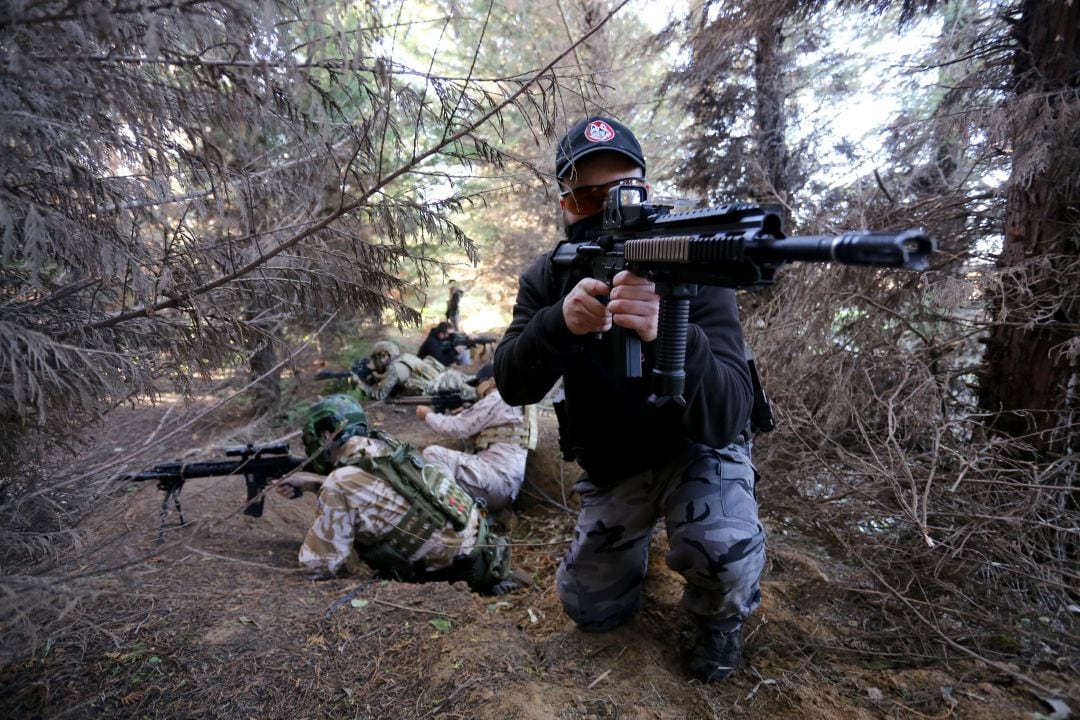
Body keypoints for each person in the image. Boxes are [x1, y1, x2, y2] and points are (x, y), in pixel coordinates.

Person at [493, 115, 765, 682]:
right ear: (566, 202)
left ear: (645, 186)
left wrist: (671, 330)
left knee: (720, 548)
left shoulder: (692, 260)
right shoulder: (548, 276)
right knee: (590, 609)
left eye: (625, 190)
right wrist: (558, 324)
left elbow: (730, 416)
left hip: (696, 449)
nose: (609, 208)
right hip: (616, 465)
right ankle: (633, 558)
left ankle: (720, 622)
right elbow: (515, 386)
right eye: (589, 195)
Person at [273, 394, 516, 595]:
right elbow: (373, 491)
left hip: (455, 572)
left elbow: (319, 566)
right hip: (481, 547)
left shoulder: (339, 482)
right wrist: (316, 484)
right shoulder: (388, 449)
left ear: (326, 434)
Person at [415, 363, 535, 513]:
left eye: (479, 383)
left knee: (433, 454)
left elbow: (456, 427)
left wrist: (428, 415)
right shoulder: (513, 399)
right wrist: (463, 414)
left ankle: (453, 513)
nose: (477, 389)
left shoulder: (499, 397)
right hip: (503, 487)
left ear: (493, 381)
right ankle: (478, 514)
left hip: (497, 481)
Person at [359, 340, 445, 401]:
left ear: (385, 355)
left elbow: (379, 395)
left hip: (429, 395)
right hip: (437, 387)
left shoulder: (394, 369)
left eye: (375, 358)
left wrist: (360, 385)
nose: (375, 362)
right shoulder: (406, 357)